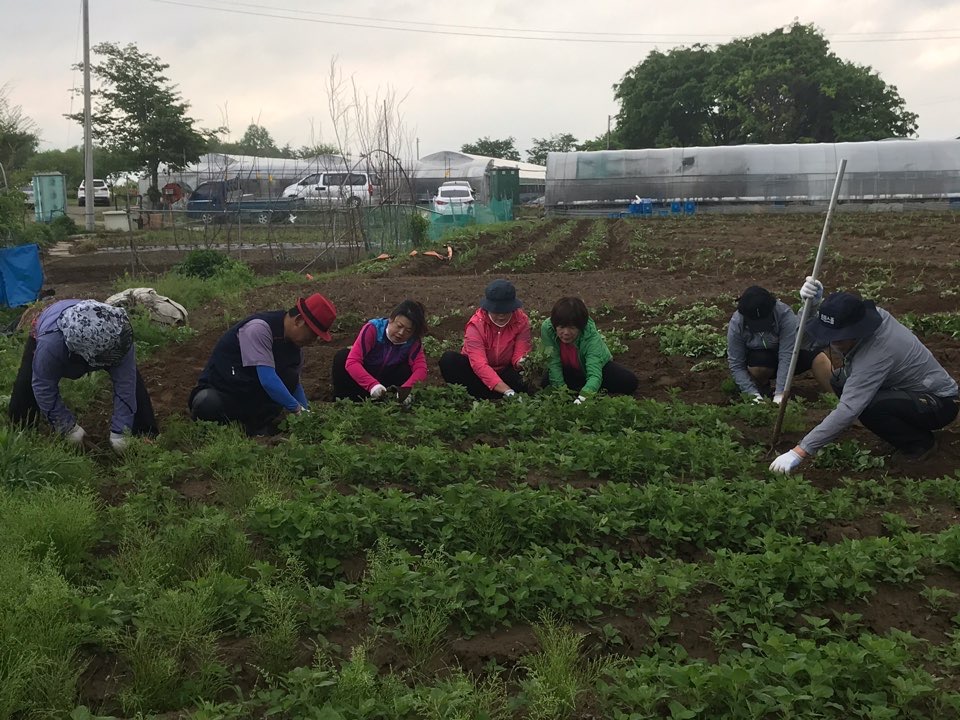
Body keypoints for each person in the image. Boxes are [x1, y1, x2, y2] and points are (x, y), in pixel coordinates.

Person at [770, 278, 959, 474]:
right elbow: (803, 342)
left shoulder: (878, 351)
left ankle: (920, 444)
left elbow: (850, 407)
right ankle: (889, 430)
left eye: (840, 338)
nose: (834, 344)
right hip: (903, 392)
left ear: (858, 330)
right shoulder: (864, 319)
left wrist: (799, 452)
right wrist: (810, 307)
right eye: (831, 337)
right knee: (838, 379)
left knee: (867, 406)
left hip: (939, 403)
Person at [8, 299, 158, 451]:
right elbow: (43, 385)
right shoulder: (50, 346)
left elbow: (125, 383)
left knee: (132, 382)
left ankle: (144, 433)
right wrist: (67, 427)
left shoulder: (120, 336)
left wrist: (121, 432)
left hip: (96, 332)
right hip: (52, 326)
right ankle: (22, 435)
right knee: (26, 383)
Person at [189, 293, 336, 435]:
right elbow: (268, 380)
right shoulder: (259, 329)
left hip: (253, 400)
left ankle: (252, 428)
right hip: (227, 391)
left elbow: (294, 383)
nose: (313, 341)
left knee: (272, 409)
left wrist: (307, 412)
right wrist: (297, 409)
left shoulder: (294, 347)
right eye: (312, 334)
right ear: (299, 321)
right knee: (207, 403)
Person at [727, 285, 832, 404]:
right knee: (758, 366)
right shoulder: (737, 323)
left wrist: (780, 393)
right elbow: (736, 363)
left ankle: (837, 396)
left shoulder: (784, 314)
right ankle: (761, 391)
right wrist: (751, 394)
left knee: (819, 358)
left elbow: (787, 354)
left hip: (788, 355)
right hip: (762, 362)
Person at [439, 279, 531, 400]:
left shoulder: (521, 321)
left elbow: (519, 354)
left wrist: (523, 361)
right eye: (497, 310)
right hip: (476, 374)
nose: (501, 315)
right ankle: (495, 393)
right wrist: (507, 390)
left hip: (504, 370)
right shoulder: (476, 325)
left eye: (506, 310)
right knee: (449, 360)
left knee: (524, 379)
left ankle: (493, 394)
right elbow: (479, 364)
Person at [541, 296, 637, 403]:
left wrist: (583, 397)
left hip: (592, 369)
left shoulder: (590, 337)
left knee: (629, 381)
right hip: (568, 369)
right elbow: (553, 362)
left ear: (581, 327)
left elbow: (594, 374)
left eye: (572, 328)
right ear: (555, 325)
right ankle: (584, 388)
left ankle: (589, 388)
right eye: (561, 327)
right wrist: (561, 393)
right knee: (546, 383)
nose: (566, 332)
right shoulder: (548, 329)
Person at [331, 300, 428, 403]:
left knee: (406, 368)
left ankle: (392, 403)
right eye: (399, 326)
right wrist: (372, 385)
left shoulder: (413, 342)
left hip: (387, 385)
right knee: (342, 357)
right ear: (391, 319)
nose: (401, 333)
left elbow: (421, 368)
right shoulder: (373, 329)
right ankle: (342, 402)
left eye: (408, 331)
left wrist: (407, 390)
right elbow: (352, 362)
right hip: (362, 380)